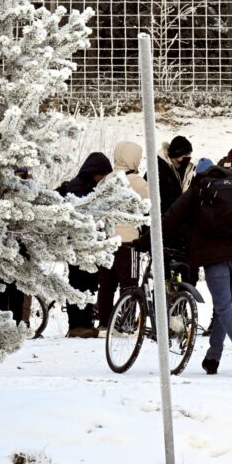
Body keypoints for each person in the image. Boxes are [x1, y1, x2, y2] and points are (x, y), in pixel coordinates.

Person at [163, 165, 232, 377]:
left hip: (214, 256)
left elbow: (171, 217)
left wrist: (146, 240)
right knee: (224, 307)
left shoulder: (198, 190)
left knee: (223, 306)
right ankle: (213, 357)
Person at [58, 152, 113, 338]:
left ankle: (85, 323)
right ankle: (77, 325)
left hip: (87, 245)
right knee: (79, 283)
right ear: (94, 172)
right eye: (102, 174)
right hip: (78, 245)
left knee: (88, 283)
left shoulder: (87, 185)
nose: (103, 178)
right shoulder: (79, 188)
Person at [97, 142, 149, 331]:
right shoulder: (138, 182)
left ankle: (104, 323)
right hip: (129, 242)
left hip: (107, 241)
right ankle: (126, 323)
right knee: (129, 285)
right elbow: (151, 203)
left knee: (106, 285)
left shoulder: (106, 180)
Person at [0, 167, 34, 327]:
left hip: (20, 243)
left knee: (17, 287)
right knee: (3, 286)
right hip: (4, 242)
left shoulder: (29, 186)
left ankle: (16, 322)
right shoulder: (3, 186)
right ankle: (2, 322)